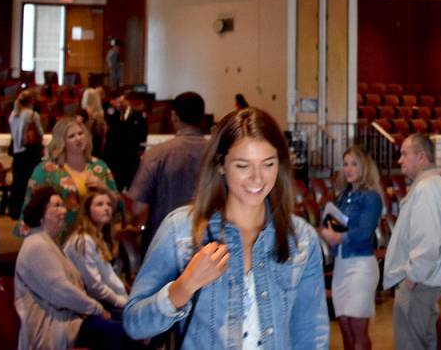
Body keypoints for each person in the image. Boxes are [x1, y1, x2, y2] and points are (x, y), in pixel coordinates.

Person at [123, 107, 328, 347]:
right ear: (221, 165)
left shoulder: (300, 238)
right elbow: (134, 323)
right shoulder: (181, 230)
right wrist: (183, 286)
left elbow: (311, 334)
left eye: (268, 164)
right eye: (243, 166)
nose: (257, 178)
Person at [15, 185, 132, 349]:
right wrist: (96, 309)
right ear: (41, 215)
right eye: (56, 206)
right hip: (53, 326)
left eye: (62, 205)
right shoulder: (37, 245)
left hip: (70, 318)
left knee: (131, 325)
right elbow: (62, 290)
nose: (63, 211)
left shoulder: (49, 243)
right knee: (120, 331)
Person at [384, 134, 441, 350]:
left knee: (411, 344)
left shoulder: (427, 188)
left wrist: (412, 278)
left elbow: (428, 241)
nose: (400, 160)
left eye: (404, 154)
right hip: (427, 281)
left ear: (422, 157)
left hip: (420, 283)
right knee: (425, 341)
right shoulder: (437, 185)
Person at [127, 91, 210, 251]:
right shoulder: (218, 154)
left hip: (165, 242)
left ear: (174, 117)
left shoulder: (158, 154)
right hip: (209, 244)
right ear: (202, 118)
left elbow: (138, 207)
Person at [318, 146, 383, 350]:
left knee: (357, 327)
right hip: (341, 266)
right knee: (344, 325)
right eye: (345, 164)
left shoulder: (371, 197)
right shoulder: (342, 197)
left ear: (364, 166)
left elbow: (364, 233)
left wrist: (338, 236)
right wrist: (327, 233)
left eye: (354, 164)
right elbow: (336, 227)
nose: (348, 169)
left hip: (361, 266)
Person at [19, 117, 118, 238]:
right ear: (62, 142)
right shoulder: (46, 170)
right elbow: (32, 207)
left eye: (81, 133)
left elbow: (116, 206)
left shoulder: (99, 167)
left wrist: (104, 188)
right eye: (71, 136)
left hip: (94, 238)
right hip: (59, 237)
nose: (78, 138)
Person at [64, 187, 129, 314]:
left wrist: (127, 299)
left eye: (109, 204)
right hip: (90, 307)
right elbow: (95, 287)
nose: (106, 208)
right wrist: (123, 303)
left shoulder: (99, 238)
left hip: (108, 301)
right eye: (99, 204)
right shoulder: (82, 240)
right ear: (87, 210)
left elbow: (110, 278)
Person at [102, 90, 148, 192]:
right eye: (120, 100)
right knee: (115, 185)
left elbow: (143, 132)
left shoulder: (137, 115)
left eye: (124, 100)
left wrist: (141, 148)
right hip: (114, 154)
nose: (121, 102)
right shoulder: (113, 113)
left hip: (131, 154)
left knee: (131, 184)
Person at [8, 90, 43, 219]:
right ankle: (27, 209)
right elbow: (39, 132)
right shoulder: (32, 114)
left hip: (17, 153)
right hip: (29, 153)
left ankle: (14, 210)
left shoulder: (13, 114)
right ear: (32, 101)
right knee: (30, 182)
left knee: (17, 182)